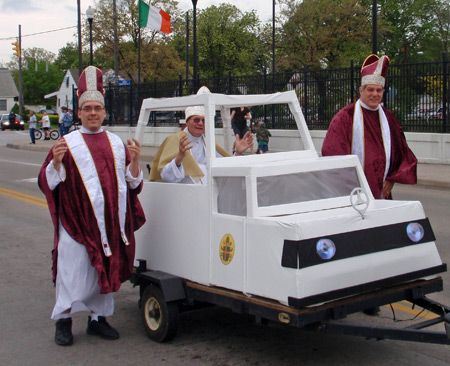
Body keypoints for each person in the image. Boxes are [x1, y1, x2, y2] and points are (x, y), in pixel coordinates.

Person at [38, 66, 146, 346]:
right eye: (88, 108)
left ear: (104, 112)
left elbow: (131, 185)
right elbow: (46, 182)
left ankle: (98, 320)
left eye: (98, 108)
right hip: (75, 225)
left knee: (104, 270)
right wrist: (56, 164)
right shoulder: (66, 143)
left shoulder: (116, 143)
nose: (93, 113)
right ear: (79, 112)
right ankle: (63, 321)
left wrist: (134, 161)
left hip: (107, 223)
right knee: (72, 272)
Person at [322, 54, 417, 199]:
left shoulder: (389, 118)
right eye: (370, 90)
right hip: (353, 192)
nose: (375, 94)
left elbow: (401, 152)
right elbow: (332, 152)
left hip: (383, 190)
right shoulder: (345, 117)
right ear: (361, 91)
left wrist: (391, 179)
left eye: (379, 90)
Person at [150, 87, 253, 184]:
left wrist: (238, 153)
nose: (200, 123)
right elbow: (165, 176)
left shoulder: (208, 142)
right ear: (187, 122)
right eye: (196, 120)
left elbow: (223, 165)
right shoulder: (174, 140)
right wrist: (179, 159)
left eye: (204, 120)